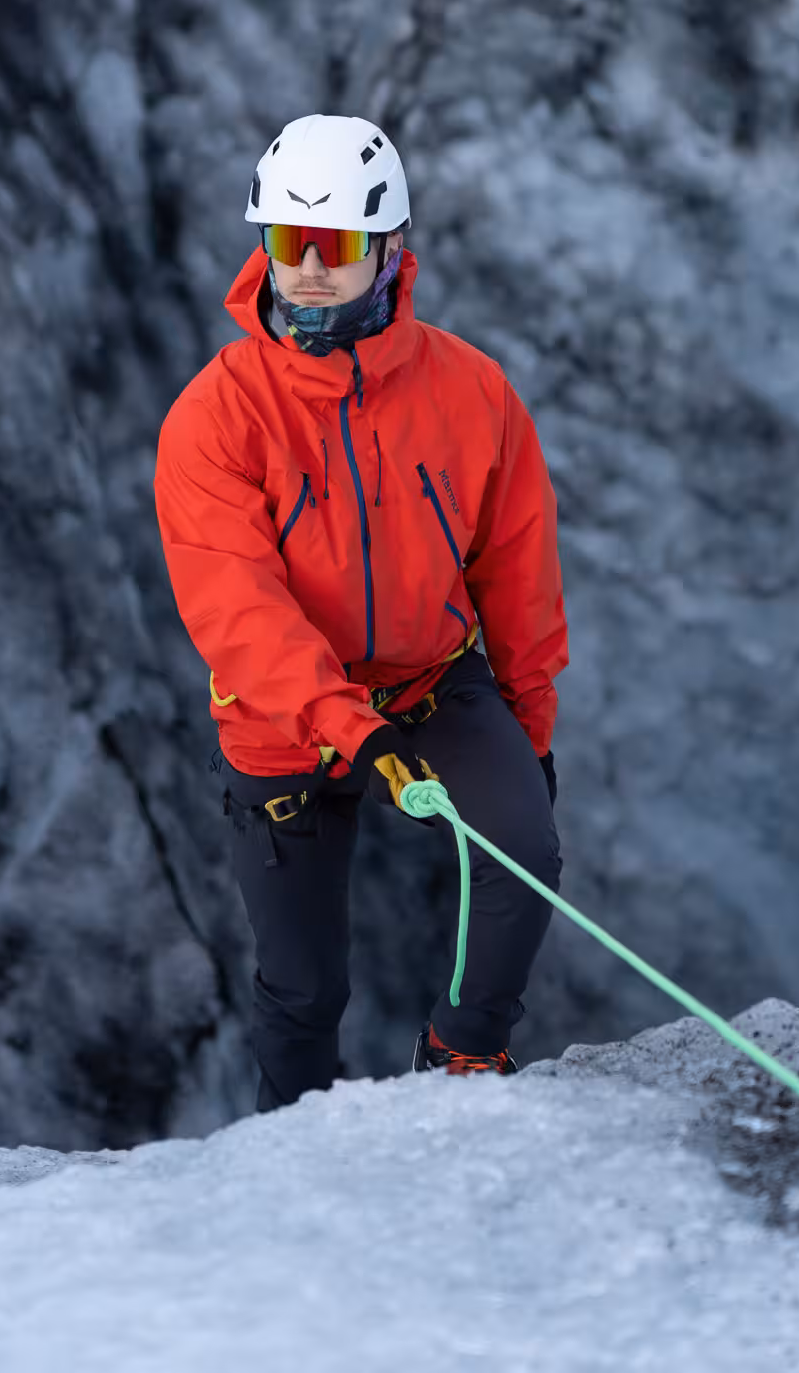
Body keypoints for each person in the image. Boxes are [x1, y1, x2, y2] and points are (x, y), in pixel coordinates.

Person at [154, 113, 567, 1111]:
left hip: (429, 681)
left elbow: (514, 569)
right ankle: (289, 1155)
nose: (305, 269)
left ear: (385, 249)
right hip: (282, 722)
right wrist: (348, 728)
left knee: (524, 853)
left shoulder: (470, 392)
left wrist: (529, 723)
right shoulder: (214, 417)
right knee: (302, 986)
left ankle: (461, 1059)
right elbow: (236, 607)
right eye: (286, 244)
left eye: (332, 246)